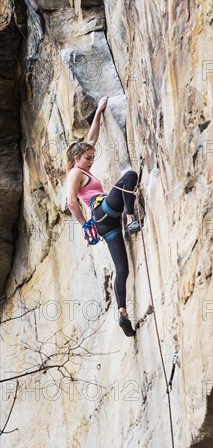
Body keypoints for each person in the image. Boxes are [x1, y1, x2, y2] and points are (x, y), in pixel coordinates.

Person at [66, 97, 140, 337]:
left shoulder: (82, 166)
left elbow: (92, 138)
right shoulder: (76, 172)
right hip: (101, 212)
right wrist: (83, 224)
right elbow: (71, 202)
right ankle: (130, 219)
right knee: (129, 176)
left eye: (91, 158)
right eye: (87, 158)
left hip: (105, 225)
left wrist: (98, 111)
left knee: (122, 269)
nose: (91, 160)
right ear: (76, 159)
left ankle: (123, 313)